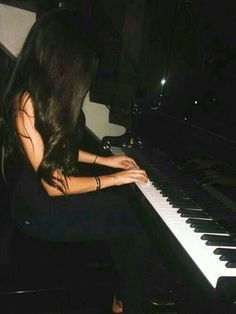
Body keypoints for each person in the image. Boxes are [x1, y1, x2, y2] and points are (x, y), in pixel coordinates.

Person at [0, 8, 150, 314]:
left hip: (47, 198)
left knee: (123, 210)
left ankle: (121, 289)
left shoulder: (49, 95)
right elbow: (55, 185)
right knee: (128, 217)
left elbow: (61, 148)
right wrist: (112, 179)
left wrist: (107, 162)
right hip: (36, 210)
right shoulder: (26, 103)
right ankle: (129, 302)